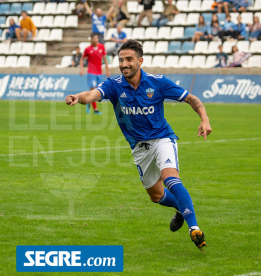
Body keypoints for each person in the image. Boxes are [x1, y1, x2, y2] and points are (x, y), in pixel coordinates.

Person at [66, 39, 211, 250]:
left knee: (171, 179)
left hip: (163, 138)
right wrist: (77, 97)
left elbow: (191, 99)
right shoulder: (114, 85)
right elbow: (92, 95)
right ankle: (182, 206)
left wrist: (204, 119)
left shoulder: (157, 82)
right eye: (121, 60)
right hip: (139, 148)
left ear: (140, 61)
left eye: (129, 59)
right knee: (156, 196)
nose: (124, 64)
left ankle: (194, 228)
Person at [80, 34, 110, 115]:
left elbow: (105, 59)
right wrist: (81, 69)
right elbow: (82, 59)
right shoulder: (87, 49)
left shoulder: (102, 47)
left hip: (99, 73)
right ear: (91, 40)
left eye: (97, 38)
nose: (96, 39)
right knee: (92, 90)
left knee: (96, 91)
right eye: (94, 38)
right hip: (91, 72)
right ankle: (96, 109)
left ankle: (88, 103)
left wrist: (107, 70)